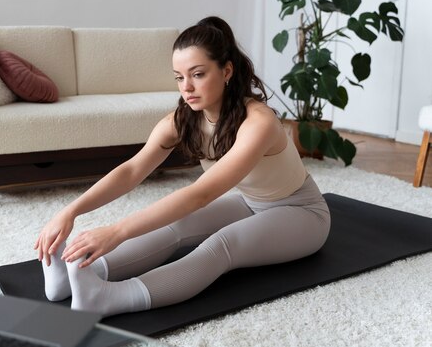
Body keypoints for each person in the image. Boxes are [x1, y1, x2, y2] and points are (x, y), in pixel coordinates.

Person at [34, 16, 331, 317]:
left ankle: (107, 298)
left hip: (301, 212)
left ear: (226, 71)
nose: (186, 87)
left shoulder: (259, 123)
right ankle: (80, 276)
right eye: (179, 77)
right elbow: (132, 170)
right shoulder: (184, 118)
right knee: (175, 226)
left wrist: (117, 231)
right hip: (250, 202)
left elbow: (200, 195)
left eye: (198, 74)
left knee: (222, 246)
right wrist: (70, 211)